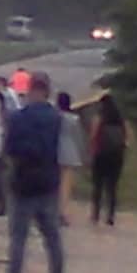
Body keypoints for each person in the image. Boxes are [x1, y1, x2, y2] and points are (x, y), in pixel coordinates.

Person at [0, 72, 66, 273]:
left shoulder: (17, 118)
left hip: (22, 181)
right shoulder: (58, 118)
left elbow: (8, 149)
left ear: (32, 89)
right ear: (48, 90)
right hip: (49, 181)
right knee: (53, 239)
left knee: (18, 240)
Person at [89, 94, 129, 226]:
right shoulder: (121, 119)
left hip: (101, 154)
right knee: (112, 186)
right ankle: (110, 216)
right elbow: (128, 138)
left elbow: (93, 135)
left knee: (98, 185)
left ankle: (95, 214)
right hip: (117, 155)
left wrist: (92, 150)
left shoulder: (99, 117)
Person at [56, 92, 87, 227]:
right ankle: (62, 212)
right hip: (70, 151)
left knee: (55, 184)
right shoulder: (74, 119)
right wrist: (82, 153)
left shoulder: (55, 117)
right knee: (66, 185)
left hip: (55, 150)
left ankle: (53, 210)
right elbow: (78, 137)